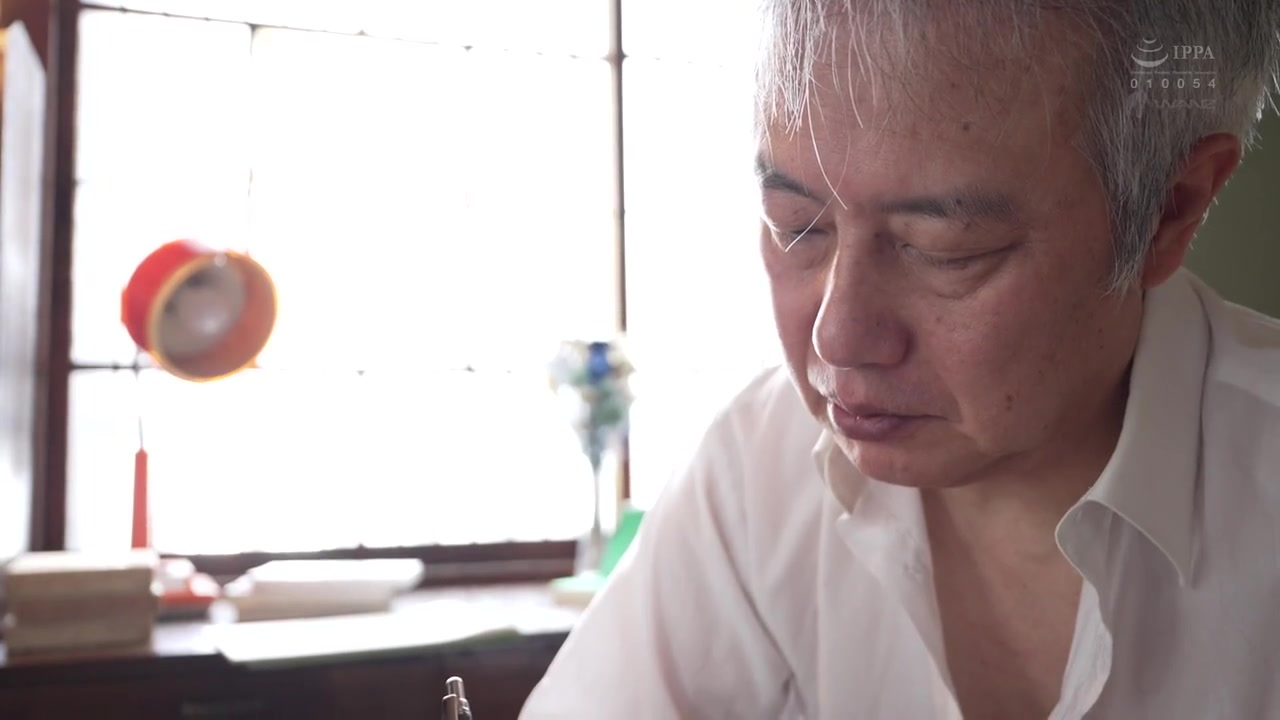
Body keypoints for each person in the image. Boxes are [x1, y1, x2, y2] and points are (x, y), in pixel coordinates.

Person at [521, 1, 1280, 717]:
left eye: (943, 249)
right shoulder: (758, 467)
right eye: (795, 226)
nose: (837, 339)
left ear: (1169, 209)